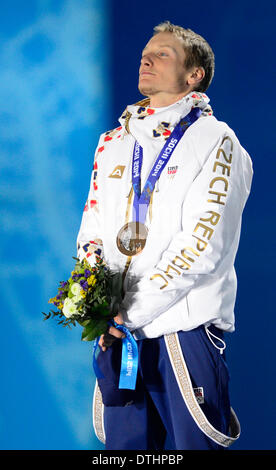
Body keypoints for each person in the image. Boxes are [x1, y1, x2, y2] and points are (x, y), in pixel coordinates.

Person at [77, 21, 253, 450]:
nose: (147, 58)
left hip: (182, 332)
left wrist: (129, 311)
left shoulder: (216, 141)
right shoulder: (113, 142)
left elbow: (201, 246)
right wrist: (97, 301)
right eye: (145, 52)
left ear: (194, 76)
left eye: (164, 54)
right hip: (120, 333)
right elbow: (93, 227)